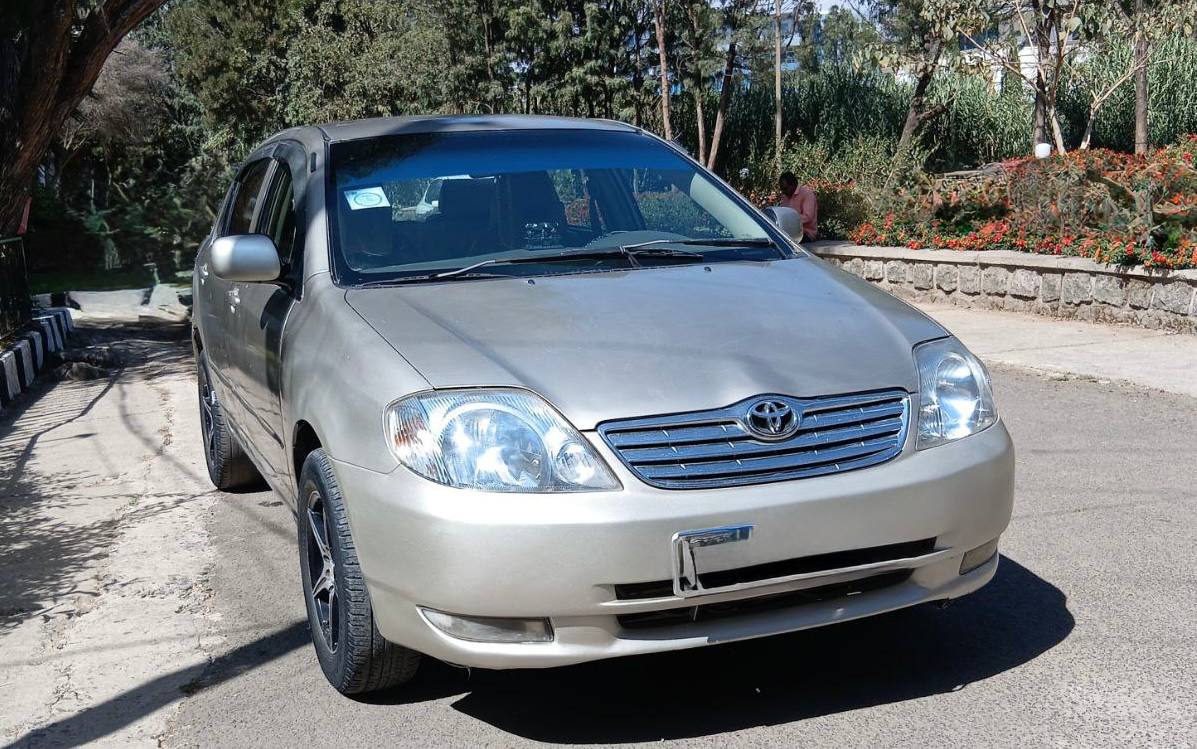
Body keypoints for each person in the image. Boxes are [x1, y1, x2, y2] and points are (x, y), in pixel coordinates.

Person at [778, 171, 818, 242]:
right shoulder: (785, 196)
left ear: (793, 185)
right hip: (789, 232)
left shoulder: (807, 194)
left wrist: (788, 222)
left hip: (805, 233)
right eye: (782, 189)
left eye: (785, 188)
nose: (783, 192)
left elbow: (808, 217)